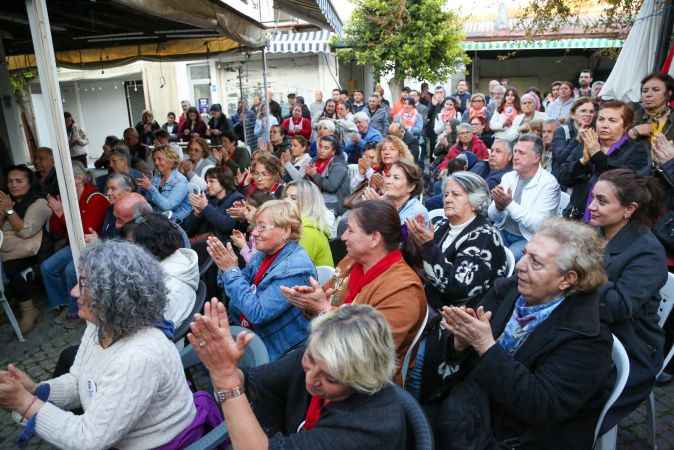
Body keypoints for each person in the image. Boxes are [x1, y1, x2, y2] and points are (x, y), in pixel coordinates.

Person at [421, 218, 613, 450]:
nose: (520, 265)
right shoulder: (511, 291)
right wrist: (460, 344)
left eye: (536, 262)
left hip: (519, 437)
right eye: (525, 254)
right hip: (475, 409)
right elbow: (467, 360)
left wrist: (485, 345)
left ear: (567, 279)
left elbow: (541, 406)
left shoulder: (586, 339)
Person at [0, 240, 198, 449]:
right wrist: (36, 390)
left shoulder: (139, 356)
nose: (74, 291)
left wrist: (24, 403)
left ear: (115, 296)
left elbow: (89, 439)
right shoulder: (100, 326)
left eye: (84, 284)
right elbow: (80, 381)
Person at [188, 303, 409, 450]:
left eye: (331, 379)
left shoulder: (370, 427)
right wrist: (225, 365)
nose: (311, 379)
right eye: (310, 358)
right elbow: (251, 382)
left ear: (360, 381)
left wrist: (225, 377)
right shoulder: (317, 360)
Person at [281, 200, 427, 383]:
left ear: (374, 238)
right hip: (328, 357)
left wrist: (324, 309)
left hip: (363, 382)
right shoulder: (350, 263)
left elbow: (371, 350)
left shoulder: (404, 289)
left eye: (350, 230)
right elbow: (330, 297)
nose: (342, 237)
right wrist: (310, 300)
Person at [587, 169, 668, 429]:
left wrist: (580, 269)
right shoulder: (598, 233)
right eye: (593, 198)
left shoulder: (648, 252)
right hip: (591, 325)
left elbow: (617, 307)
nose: (591, 207)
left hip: (631, 345)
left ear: (629, 209)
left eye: (601, 201)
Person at [206, 200, 315, 360]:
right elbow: (231, 287)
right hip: (249, 333)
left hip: (275, 351)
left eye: (262, 227)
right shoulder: (264, 254)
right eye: (255, 226)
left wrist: (231, 270)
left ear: (285, 231)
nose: (254, 233)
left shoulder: (295, 268)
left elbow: (257, 313)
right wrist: (229, 269)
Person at [407, 171, 507, 309]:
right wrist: (414, 241)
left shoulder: (484, 237)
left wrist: (427, 245)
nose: (447, 199)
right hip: (425, 297)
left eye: (456, 195)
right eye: (446, 195)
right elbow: (419, 264)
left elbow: (457, 290)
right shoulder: (441, 225)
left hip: (455, 314)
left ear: (474, 202)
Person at [41, 162, 110, 327]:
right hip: (73, 244)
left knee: (72, 270)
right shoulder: (67, 196)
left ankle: (75, 312)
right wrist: (57, 212)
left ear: (78, 178)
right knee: (47, 267)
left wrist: (61, 212)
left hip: (94, 245)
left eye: (65, 178)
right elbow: (56, 230)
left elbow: (85, 232)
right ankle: (64, 302)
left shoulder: (95, 197)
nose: (61, 183)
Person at [557, 100, 651, 220]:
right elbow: (563, 178)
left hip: (613, 222)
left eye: (612, 121)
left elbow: (627, 184)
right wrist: (582, 161)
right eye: (601, 119)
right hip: (576, 218)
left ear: (626, 126)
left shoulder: (637, 149)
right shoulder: (589, 142)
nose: (604, 125)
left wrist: (596, 154)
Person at [488, 134, 560, 260]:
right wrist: (498, 207)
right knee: (483, 246)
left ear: (536, 158)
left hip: (530, 239)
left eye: (521, 153)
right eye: (515, 151)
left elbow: (539, 226)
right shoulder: (508, 177)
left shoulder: (549, 184)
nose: (515, 156)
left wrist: (509, 204)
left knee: (505, 258)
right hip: (503, 232)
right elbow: (492, 216)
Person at [0, 165, 52, 334]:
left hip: (34, 251)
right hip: (11, 249)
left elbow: (25, 231)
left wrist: (8, 210)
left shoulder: (39, 203)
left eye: (18, 181)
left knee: (14, 269)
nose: (13, 185)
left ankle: (29, 311)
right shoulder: (11, 201)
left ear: (30, 183)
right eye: (10, 181)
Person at [125, 213, 199, 329]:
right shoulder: (176, 260)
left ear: (148, 247)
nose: (127, 251)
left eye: (131, 246)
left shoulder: (168, 287)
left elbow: (140, 329)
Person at [182, 165, 244, 242]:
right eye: (207, 182)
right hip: (200, 240)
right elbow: (188, 231)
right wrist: (197, 214)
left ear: (224, 181)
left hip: (220, 244)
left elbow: (226, 226)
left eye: (211, 181)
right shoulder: (207, 197)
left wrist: (205, 207)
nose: (207, 185)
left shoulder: (237, 199)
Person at [135, 144, 192, 222]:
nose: (156, 163)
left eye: (159, 159)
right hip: (157, 217)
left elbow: (167, 206)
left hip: (173, 222)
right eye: (154, 160)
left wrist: (150, 187)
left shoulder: (180, 181)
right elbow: (149, 201)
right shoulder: (157, 177)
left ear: (171, 160)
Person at [284, 180, 335, 267]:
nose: (285, 201)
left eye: (293, 198)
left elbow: (292, 269)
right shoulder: (295, 226)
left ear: (308, 202)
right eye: (285, 196)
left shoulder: (308, 232)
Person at [550, 97, 596, 179]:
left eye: (591, 112)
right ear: (573, 114)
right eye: (583, 111)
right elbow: (560, 159)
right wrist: (576, 140)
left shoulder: (594, 132)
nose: (588, 114)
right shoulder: (562, 131)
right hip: (564, 182)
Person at [305, 135, 350, 215]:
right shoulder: (314, 160)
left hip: (335, 203)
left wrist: (314, 175)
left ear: (333, 151)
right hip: (316, 198)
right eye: (320, 146)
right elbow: (305, 183)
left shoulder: (339, 165)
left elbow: (331, 186)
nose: (321, 150)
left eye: (326, 148)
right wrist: (308, 175)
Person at [373, 160, 428, 224]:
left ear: (411, 187)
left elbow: (393, 233)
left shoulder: (417, 212)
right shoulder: (385, 200)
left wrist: (378, 210)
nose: (388, 181)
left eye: (396, 178)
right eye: (388, 176)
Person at [629, 72, 674, 145]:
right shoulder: (630, 114)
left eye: (656, 90)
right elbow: (610, 147)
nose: (648, 94)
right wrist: (633, 133)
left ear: (669, 93)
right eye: (644, 91)